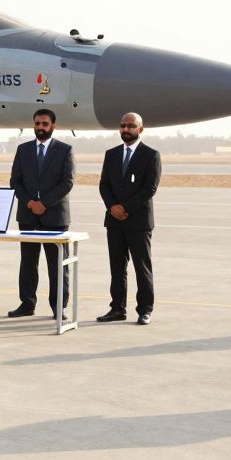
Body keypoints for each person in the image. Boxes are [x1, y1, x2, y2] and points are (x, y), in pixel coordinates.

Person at [8, 108, 75, 318]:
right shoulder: (23, 150)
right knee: (28, 262)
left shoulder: (65, 150)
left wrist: (44, 203)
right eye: (37, 124)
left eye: (45, 124)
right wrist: (30, 203)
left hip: (55, 216)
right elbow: (15, 181)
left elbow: (67, 182)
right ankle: (27, 303)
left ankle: (58, 307)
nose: (40, 128)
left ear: (53, 126)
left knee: (57, 265)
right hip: (28, 215)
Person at [96, 112, 162, 325]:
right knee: (117, 267)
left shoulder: (151, 155)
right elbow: (104, 185)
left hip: (138, 222)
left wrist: (124, 208)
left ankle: (145, 310)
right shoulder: (111, 154)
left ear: (140, 129)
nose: (126, 129)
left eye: (131, 126)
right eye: (123, 125)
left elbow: (149, 188)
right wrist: (112, 207)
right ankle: (117, 308)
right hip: (114, 221)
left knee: (142, 267)